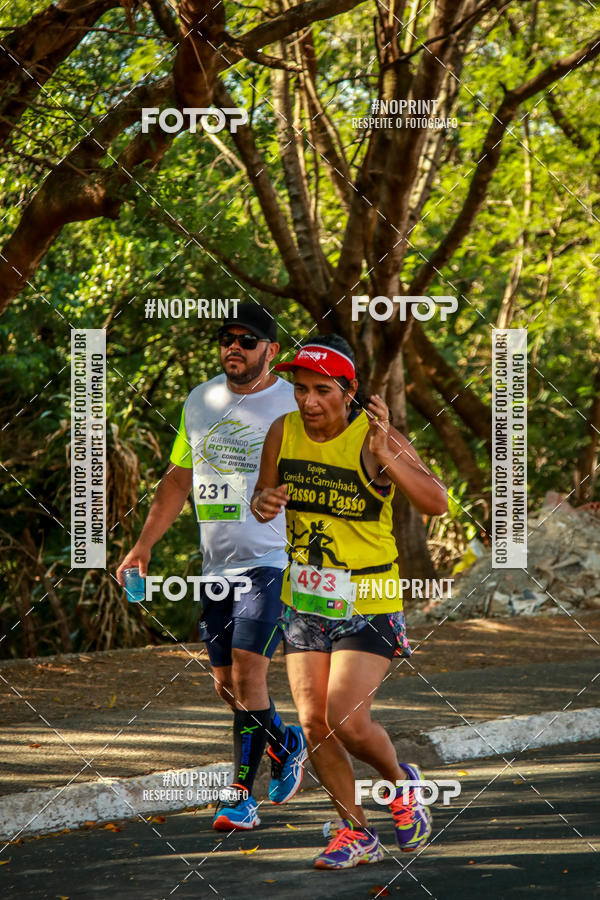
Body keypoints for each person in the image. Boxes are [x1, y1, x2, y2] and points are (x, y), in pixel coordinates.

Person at [250, 334, 448, 869]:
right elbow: (264, 498)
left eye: (321, 390)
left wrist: (388, 457)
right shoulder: (282, 431)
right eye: (300, 389)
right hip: (307, 597)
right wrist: (264, 502)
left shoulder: (375, 436)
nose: (308, 401)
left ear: (349, 390)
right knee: (314, 723)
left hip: (370, 595)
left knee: (346, 720)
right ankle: (355, 831)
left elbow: (436, 501)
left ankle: (402, 783)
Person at [117, 302, 307, 831]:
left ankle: (240, 797)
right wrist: (143, 546)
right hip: (216, 565)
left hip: (274, 560)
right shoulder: (200, 400)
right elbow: (178, 479)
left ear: (271, 350)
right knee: (226, 685)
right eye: (228, 338)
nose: (235, 347)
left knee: (249, 675)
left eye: (248, 341)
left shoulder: (294, 402)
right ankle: (285, 740)